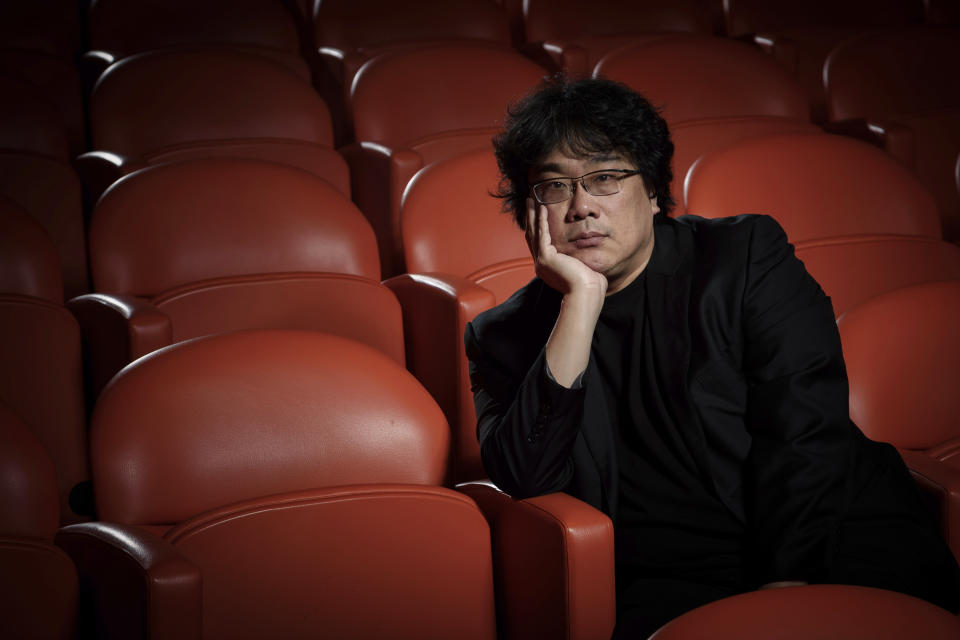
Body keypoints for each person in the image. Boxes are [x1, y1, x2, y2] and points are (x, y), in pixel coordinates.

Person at [464, 75, 960, 638]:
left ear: (652, 191)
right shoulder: (502, 334)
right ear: (530, 213)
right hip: (664, 578)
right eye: (554, 187)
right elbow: (529, 480)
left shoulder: (744, 258)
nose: (581, 207)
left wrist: (787, 583)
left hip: (822, 536)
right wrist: (579, 302)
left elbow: (803, 425)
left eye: (605, 178)